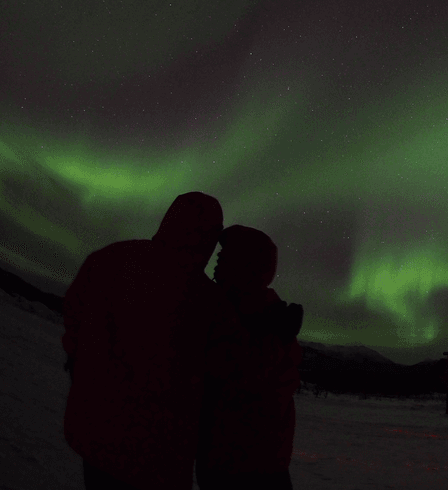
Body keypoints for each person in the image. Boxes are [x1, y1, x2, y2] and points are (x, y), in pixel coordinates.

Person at [62, 192, 239, 490]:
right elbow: (223, 374)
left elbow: (74, 321)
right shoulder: (211, 302)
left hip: (94, 429)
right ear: (209, 238)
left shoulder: (109, 258)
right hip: (157, 456)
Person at [196, 225, 303, 490]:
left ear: (247, 265)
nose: (217, 259)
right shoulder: (239, 310)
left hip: (249, 464)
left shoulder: (263, 317)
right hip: (230, 458)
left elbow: (247, 382)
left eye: (227, 254)